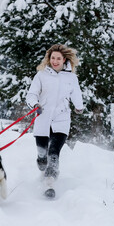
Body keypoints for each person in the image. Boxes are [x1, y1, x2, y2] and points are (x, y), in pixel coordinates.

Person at [26, 44, 84, 198]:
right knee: (43, 155)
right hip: (43, 118)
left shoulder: (71, 77)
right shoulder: (41, 75)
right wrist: (35, 104)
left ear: (64, 59)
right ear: (49, 59)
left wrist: (79, 106)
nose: (55, 61)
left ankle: (49, 185)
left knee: (54, 153)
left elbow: (76, 93)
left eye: (59, 58)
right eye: (53, 58)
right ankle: (41, 159)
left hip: (61, 119)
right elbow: (31, 94)